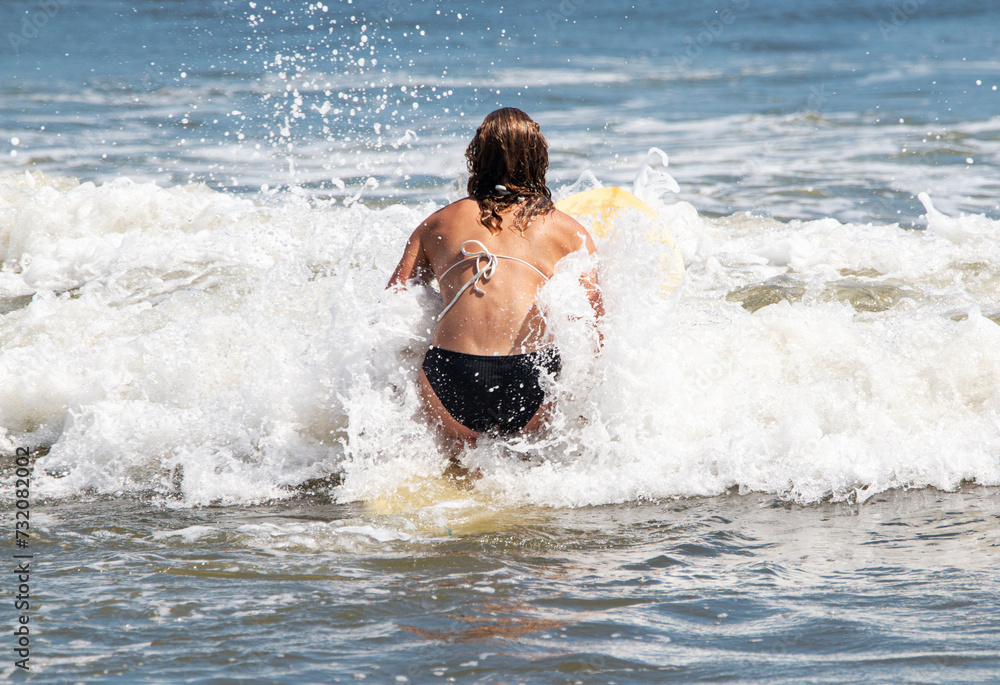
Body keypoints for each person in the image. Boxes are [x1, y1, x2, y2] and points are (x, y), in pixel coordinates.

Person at [387, 107, 603, 456]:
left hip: (451, 371)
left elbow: (392, 306)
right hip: (534, 375)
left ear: (477, 158)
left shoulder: (436, 223)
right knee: (522, 475)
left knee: (458, 476)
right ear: (539, 159)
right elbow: (596, 325)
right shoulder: (569, 231)